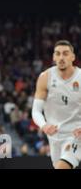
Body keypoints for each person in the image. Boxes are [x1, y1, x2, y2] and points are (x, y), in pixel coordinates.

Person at [32, 40, 81, 169]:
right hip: (54, 136)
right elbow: (36, 110)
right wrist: (44, 125)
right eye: (58, 54)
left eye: (65, 54)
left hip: (76, 135)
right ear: (54, 57)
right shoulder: (45, 77)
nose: (61, 58)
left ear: (73, 57)